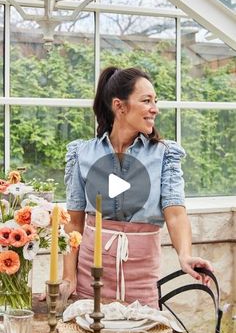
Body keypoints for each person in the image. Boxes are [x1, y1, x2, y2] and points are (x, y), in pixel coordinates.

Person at [63, 66, 213, 308]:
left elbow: (175, 215)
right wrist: (68, 277)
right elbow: (74, 221)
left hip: (142, 277)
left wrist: (184, 255)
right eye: (146, 101)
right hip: (90, 276)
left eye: (155, 101)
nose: (155, 108)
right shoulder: (82, 154)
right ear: (119, 106)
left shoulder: (165, 155)